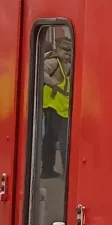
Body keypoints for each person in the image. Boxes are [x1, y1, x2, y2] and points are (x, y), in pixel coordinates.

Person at [40, 36, 72, 179]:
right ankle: (66, 171)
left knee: (50, 138)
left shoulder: (65, 63)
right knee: (63, 139)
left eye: (70, 52)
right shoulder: (53, 61)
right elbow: (40, 71)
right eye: (65, 52)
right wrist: (53, 83)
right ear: (58, 49)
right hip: (56, 106)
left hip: (54, 106)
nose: (68, 55)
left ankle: (47, 170)